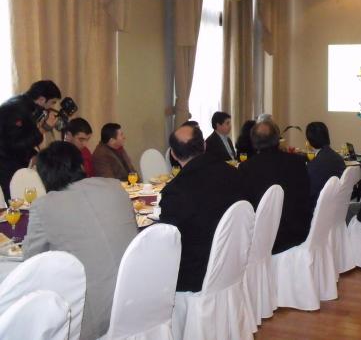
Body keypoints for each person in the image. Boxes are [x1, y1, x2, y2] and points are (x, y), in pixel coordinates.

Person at [22, 141, 138, 339]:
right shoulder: (114, 186)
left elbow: (32, 261)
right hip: (137, 296)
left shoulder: (44, 206)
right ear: (81, 165)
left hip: (94, 318)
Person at [159, 124, 244, 291]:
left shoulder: (176, 191)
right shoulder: (233, 173)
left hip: (199, 274)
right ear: (204, 145)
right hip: (234, 259)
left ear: (173, 154)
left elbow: (168, 241)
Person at [239, 120, 312, 254]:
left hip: (266, 239)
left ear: (254, 142)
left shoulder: (247, 168)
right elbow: (306, 195)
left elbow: (246, 208)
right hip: (299, 231)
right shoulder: (297, 162)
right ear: (277, 139)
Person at [0, 98, 43, 201]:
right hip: (8, 168)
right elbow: (17, 144)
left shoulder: (8, 115)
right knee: (13, 199)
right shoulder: (12, 122)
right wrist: (39, 130)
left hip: (11, 165)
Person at [305, 121, 345, 210]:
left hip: (316, 209)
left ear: (309, 140)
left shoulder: (314, 165)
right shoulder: (338, 158)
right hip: (335, 206)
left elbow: (308, 193)